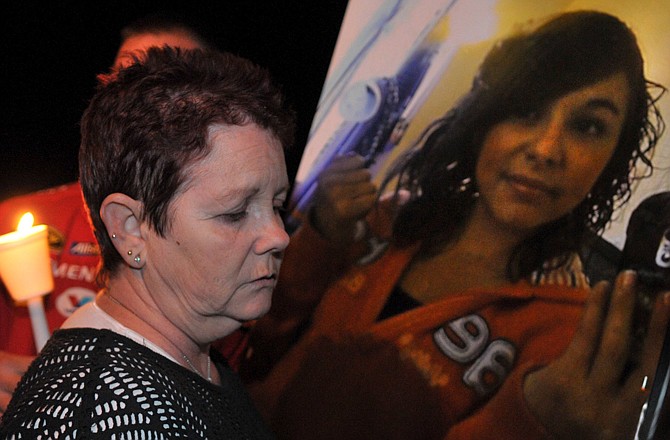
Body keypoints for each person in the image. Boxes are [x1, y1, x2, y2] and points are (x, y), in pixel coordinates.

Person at [240, 10, 667, 439]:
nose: (545, 149)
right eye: (526, 109)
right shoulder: (388, 218)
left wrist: (532, 421)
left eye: (588, 126)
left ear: (611, 162)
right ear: (487, 117)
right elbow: (256, 346)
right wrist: (320, 236)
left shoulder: (572, 337)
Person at [0, 46, 294, 437]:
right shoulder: (110, 413)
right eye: (235, 213)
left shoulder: (195, 359)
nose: (279, 235)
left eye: (276, 205)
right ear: (131, 227)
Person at [0, 16, 213, 416]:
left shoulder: (219, 240)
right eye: (128, 76)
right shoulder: (13, 220)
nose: (146, 97)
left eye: (173, 81)